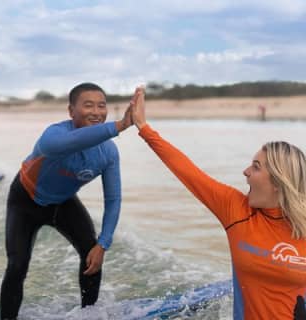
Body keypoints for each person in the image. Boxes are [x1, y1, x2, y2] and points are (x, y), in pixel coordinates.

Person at [130, 87, 306, 319]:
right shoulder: (237, 210)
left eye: (256, 166)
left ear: (278, 180)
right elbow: (189, 173)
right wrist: (144, 128)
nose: (245, 172)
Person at [0, 83, 135, 320]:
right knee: (17, 264)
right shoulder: (54, 135)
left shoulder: (109, 153)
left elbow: (113, 198)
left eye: (101, 105)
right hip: (25, 201)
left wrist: (103, 244)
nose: (96, 111)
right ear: (71, 111)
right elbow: (59, 147)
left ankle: (88, 315)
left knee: (91, 255)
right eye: (88, 105)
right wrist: (120, 125)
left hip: (63, 203)